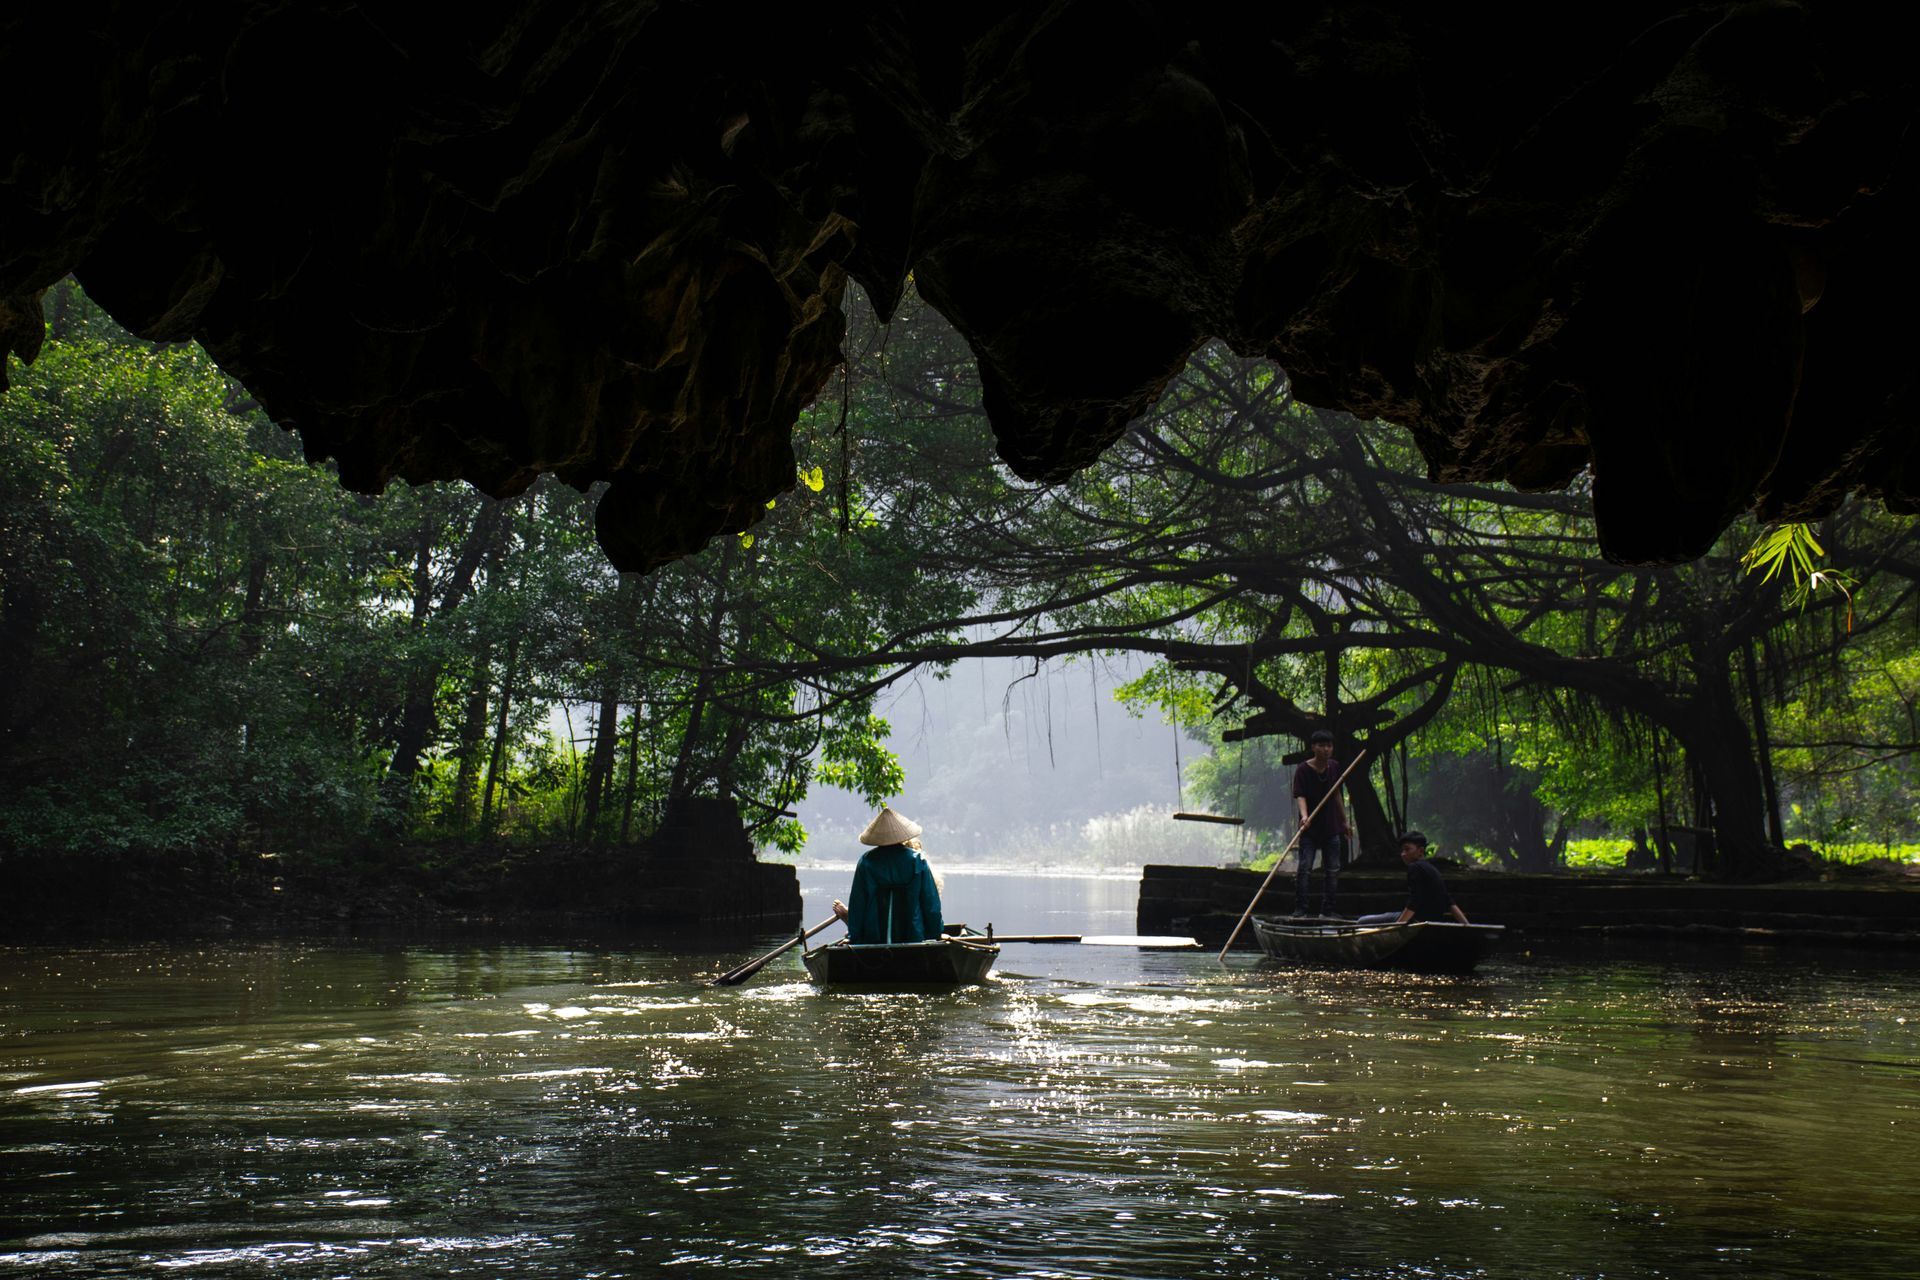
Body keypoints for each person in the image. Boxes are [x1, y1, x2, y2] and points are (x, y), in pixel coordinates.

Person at [831, 806, 945, 944]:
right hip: (913, 935)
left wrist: (853, 937)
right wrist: (936, 933)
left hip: (873, 937)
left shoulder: (866, 862)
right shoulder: (917, 860)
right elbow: (931, 905)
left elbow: (858, 905)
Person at [1291, 729, 1350, 917]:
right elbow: (1300, 795)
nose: (1326, 749)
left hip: (1331, 827)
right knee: (1305, 868)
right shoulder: (1303, 769)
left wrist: (1345, 821)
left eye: (1329, 746)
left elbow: (1337, 794)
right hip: (1310, 828)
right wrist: (1305, 816)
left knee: (1332, 870)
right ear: (1313, 747)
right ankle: (1301, 909)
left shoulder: (1335, 767)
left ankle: (1328, 911)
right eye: (1322, 745)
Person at [1357, 831, 1471, 926]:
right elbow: (1448, 900)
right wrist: (1467, 925)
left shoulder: (1415, 867)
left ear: (1420, 851)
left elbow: (1414, 900)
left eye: (1407, 849)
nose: (1403, 854)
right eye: (1402, 850)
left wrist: (1398, 925)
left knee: (1362, 921)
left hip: (1417, 919)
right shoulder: (1432, 869)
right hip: (1432, 918)